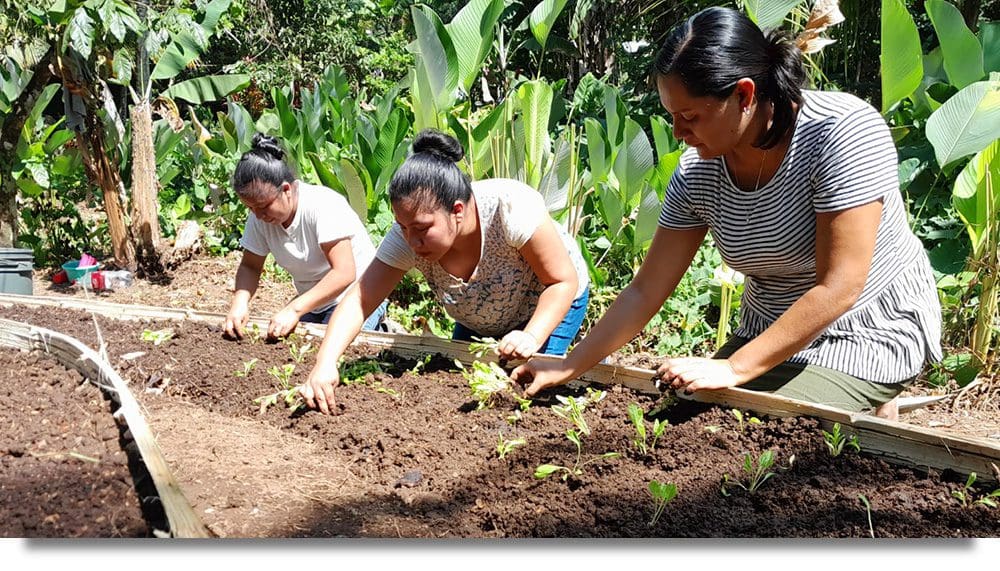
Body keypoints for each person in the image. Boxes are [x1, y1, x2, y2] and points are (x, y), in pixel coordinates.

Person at [511, 7, 942, 421]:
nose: (678, 132)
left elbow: (839, 287)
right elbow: (645, 291)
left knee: (744, 425)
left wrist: (733, 370)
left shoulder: (840, 133)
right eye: (671, 116)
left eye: (690, 116)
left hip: (865, 327)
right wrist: (569, 364)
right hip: (767, 329)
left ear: (744, 94)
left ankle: (873, 401)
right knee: (683, 410)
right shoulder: (699, 169)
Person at [301, 129, 591, 414]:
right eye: (403, 228)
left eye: (422, 229)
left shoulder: (510, 208)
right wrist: (325, 362)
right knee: (463, 386)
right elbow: (360, 300)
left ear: (457, 211)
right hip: (478, 311)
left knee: (528, 392)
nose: (412, 241)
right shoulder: (407, 235)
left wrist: (532, 335)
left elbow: (561, 281)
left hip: (548, 303)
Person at [223, 134, 386, 340]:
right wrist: (240, 302)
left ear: (286, 189)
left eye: (264, 206)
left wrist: (294, 309)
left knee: (329, 348)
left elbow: (344, 273)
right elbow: (250, 266)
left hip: (358, 295)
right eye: (250, 208)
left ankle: (377, 327)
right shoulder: (259, 217)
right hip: (315, 302)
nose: (258, 215)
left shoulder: (322, 206)